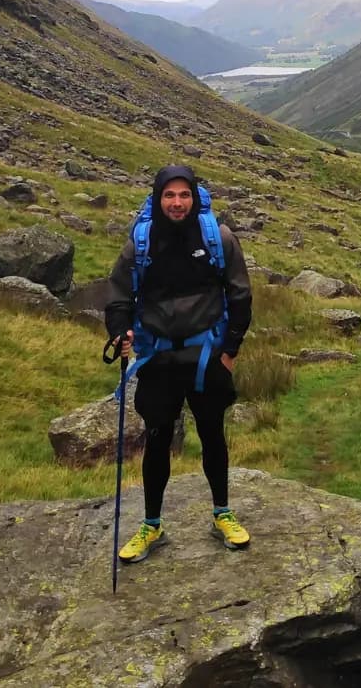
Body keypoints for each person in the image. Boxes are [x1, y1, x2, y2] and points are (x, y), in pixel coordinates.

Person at [105, 164, 253, 563]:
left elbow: (240, 295)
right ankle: (151, 525)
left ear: (194, 197)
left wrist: (230, 350)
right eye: (169, 195)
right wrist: (121, 332)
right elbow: (118, 294)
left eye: (183, 195)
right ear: (158, 198)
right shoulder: (140, 242)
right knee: (156, 440)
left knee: (212, 434)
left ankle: (222, 513)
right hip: (158, 358)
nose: (176, 203)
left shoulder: (218, 239)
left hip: (206, 358)